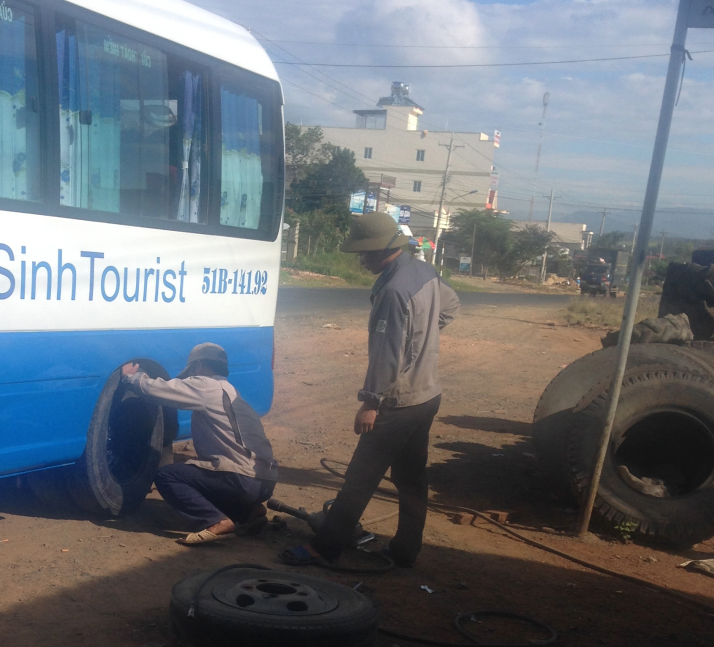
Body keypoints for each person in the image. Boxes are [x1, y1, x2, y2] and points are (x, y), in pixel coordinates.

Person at [281, 212, 460, 568]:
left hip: (398, 401)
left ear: (381, 250)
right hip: (427, 395)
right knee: (411, 478)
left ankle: (325, 546)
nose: (360, 260)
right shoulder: (424, 271)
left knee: (360, 478)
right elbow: (451, 307)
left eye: (362, 253)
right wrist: (422, 337)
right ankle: (406, 550)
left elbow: (386, 356)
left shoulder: (393, 291)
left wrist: (370, 402)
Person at [121, 343, 277, 546]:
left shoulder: (205, 385)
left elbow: (159, 390)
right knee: (206, 474)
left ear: (198, 366)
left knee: (167, 476)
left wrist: (131, 377)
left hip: (242, 479)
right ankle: (249, 511)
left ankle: (215, 522)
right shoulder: (230, 390)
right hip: (264, 481)